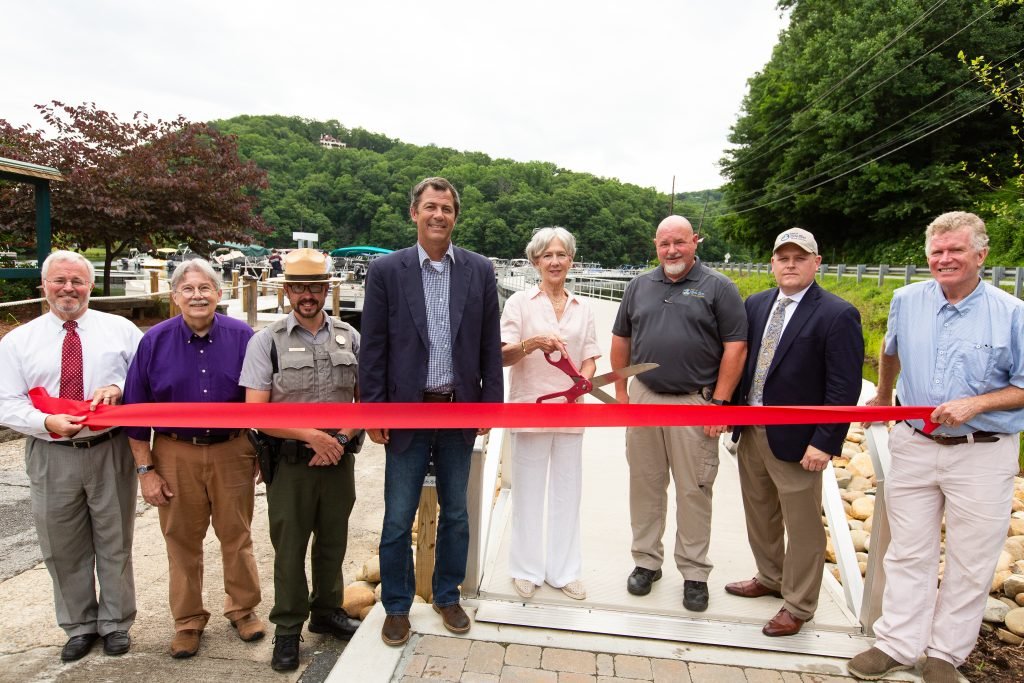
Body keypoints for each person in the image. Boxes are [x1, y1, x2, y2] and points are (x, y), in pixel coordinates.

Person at [848, 212, 1024, 682]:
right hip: (915, 444)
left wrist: (977, 404)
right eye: (937, 252)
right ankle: (896, 643)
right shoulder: (907, 299)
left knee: (972, 557)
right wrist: (883, 401)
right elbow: (890, 351)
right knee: (906, 551)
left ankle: (946, 653)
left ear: (981, 255)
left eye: (956, 250)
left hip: (982, 450)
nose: (944, 259)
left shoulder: (1013, 313)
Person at [359, 176, 503, 646]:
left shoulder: (478, 271)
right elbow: (374, 347)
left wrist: (490, 407)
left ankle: (447, 595)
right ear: (414, 213)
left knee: (457, 512)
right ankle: (397, 606)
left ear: (455, 216)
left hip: (459, 410)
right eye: (430, 207)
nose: (439, 215)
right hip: (407, 412)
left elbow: (487, 345)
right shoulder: (387, 271)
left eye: (447, 208)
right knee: (398, 516)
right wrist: (375, 411)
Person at [0, 250, 142, 662]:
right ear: (43, 286)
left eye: (77, 281)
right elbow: (5, 403)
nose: (69, 289)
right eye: (60, 281)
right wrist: (46, 423)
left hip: (110, 449)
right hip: (51, 452)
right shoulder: (18, 342)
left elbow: (146, 379)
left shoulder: (121, 330)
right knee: (62, 544)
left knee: (114, 539)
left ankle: (116, 622)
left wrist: (118, 386)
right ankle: (79, 625)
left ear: (90, 285)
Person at [122, 258, 264, 659]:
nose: (197, 295)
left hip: (232, 450)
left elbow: (260, 397)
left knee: (237, 536)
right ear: (174, 296)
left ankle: (242, 608)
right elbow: (134, 412)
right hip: (174, 452)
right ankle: (187, 620)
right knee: (181, 541)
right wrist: (146, 470)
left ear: (219, 294)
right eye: (188, 289)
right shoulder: (153, 341)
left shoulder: (243, 336)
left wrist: (255, 449)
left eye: (205, 288)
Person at [726, 228, 864, 637]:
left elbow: (844, 387)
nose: (789, 264)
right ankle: (770, 577)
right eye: (782, 257)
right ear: (772, 264)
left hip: (799, 439)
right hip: (751, 428)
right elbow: (742, 362)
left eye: (799, 258)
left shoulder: (837, 314)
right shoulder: (755, 304)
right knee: (760, 513)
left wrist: (825, 440)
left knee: (802, 524)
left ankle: (800, 604)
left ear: (816, 263)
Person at [610, 215, 747, 612]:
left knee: (694, 489)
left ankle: (693, 571)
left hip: (695, 401)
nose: (672, 250)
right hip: (645, 398)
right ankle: (646, 562)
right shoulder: (639, 286)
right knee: (645, 485)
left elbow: (735, 348)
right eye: (665, 243)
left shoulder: (719, 287)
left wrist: (720, 403)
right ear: (655, 244)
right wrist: (622, 393)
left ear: (695, 242)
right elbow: (621, 340)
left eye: (680, 242)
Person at [238, 248, 362, 672]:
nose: (307, 295)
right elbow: (256, 412)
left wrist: (341, 439)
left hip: (339, 459)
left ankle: (326, 612)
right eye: (299, 287)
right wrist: (311, 436)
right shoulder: (266, 341)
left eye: (315, 287)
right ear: (287, 290)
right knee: (289, 549)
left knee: (333, 541)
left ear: (326, 290)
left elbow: (364, 402)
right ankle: (288, 628)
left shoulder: (350, 337)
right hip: (291, 463)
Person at [500, 227, 601, 601]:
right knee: (527, 491)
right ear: (535, 262)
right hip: (530, 407)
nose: (555, 261)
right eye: (547, 256)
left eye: (561, 255)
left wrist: (582, 381)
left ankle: (565, 571)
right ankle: (525, 569)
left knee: (567, 493)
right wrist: (533, 343)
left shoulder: (584, 306)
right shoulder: (519, 304)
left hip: (572, 412)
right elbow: (503, 355)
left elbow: (589, 358)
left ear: (571, 261)